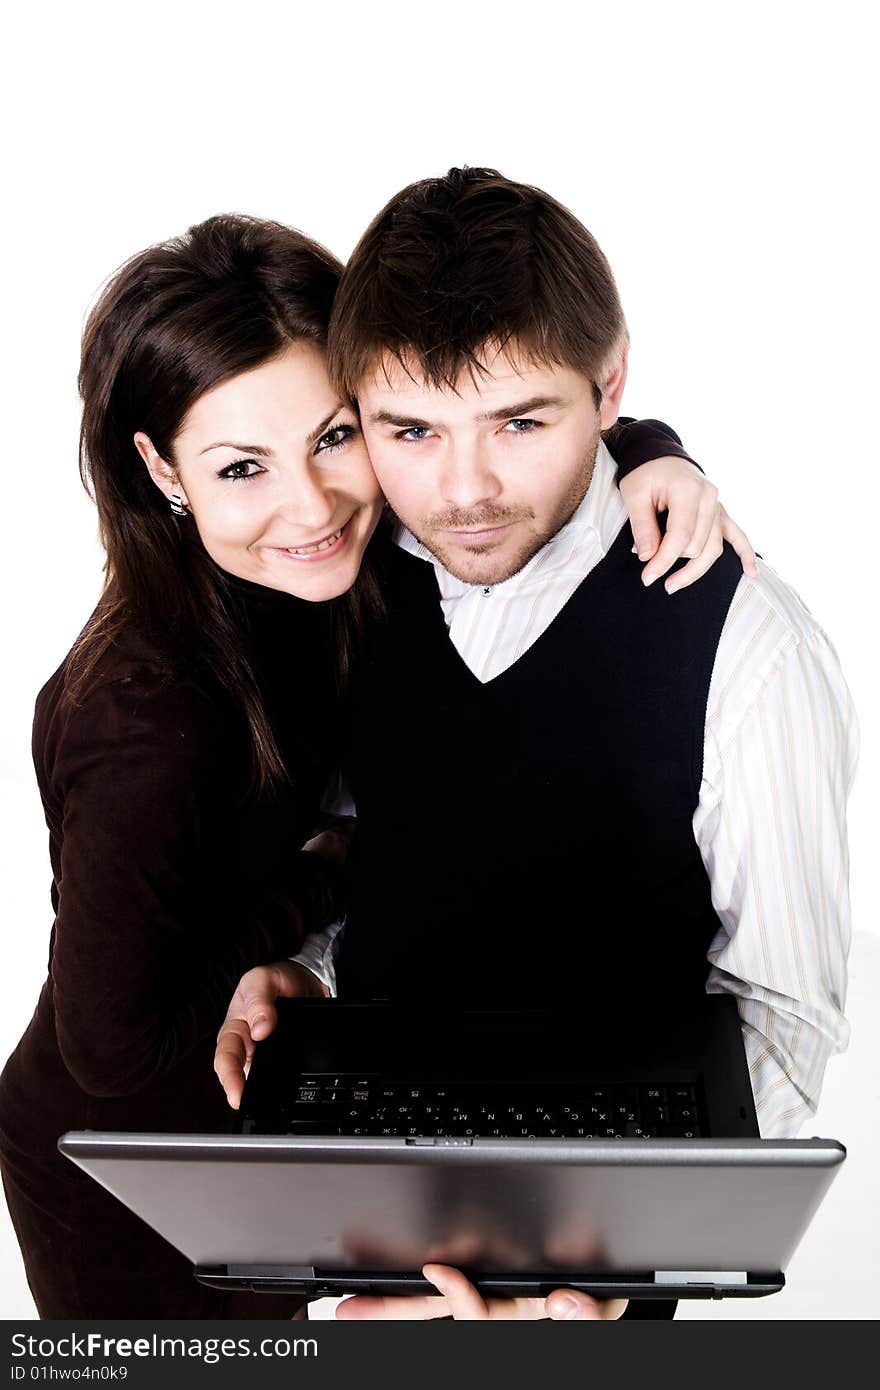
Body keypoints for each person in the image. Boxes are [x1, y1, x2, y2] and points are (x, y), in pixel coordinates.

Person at [0, 212, 742, 1321]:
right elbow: (111, 1048)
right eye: (240, 466)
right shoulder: (144, 715)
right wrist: (336, 869)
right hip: (132, 1158)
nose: (311, 506)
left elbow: (496, 413)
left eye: (335, 437)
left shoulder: (334, 575)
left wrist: (647, 448)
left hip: (281, 1101)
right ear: (160, 467)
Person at [216, 168, 859, 1321]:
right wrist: (307, 973)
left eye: (519, 422)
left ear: (610, 384)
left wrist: (585, 1251)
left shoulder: (745, 640)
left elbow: (782, 1016)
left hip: (590, 1280)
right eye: (408, 431)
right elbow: (391, 850)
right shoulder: (359, 591)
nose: (462, 489)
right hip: (368, 1231)